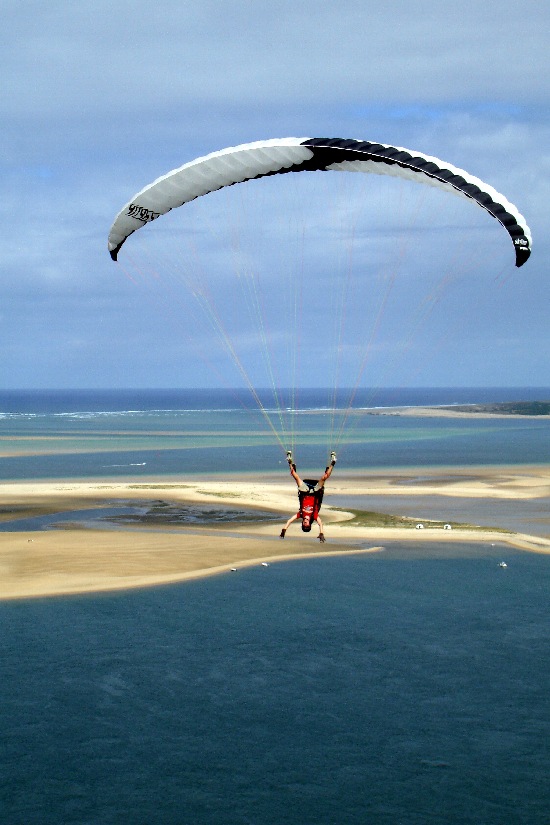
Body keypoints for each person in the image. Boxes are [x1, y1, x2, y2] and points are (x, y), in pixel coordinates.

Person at [280, 450, 336, 542]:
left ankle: (289, 460)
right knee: (324, 477)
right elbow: (320, 523)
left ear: (302, 523)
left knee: (294, 475)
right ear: (309, 524)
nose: (305, 523)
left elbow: (290, 520)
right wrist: (321, 533)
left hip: (305, 492)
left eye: (304, 525)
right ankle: (333, 461)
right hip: (315, 492)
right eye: (307, 525)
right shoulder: (314, 516)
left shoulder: (301, 514)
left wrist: (284, 530)